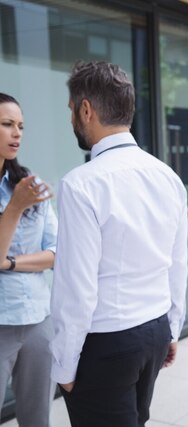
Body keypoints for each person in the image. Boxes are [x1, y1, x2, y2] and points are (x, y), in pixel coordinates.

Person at [49, 61, 188, 427]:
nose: (71, 121)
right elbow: (177, 264)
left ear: (86, 110)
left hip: (106, 342)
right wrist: (171, 329)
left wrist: (64, 364)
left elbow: (76, 288)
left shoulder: (81, 183)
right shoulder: (168, 177)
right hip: (154, 330)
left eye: (71, 111)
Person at [0, 93, 57, 426]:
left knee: (37, 419)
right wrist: (15, 207)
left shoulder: (28, 184)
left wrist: (9, 264)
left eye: (20, 126)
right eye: (7, 125)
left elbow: (56, 252)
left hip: (38, 318)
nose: (17, 133)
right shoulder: (23, 196)